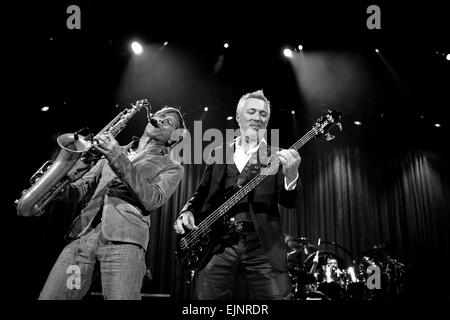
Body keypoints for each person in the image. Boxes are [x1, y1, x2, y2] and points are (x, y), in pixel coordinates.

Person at [38, 106, 186, 300]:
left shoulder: (172, 167)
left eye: (170, 121)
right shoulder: (113, 151)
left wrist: (117, 157)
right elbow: (81, 187)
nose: (162, 118)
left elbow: (153, 199)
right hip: (84, 237)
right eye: (161, 115)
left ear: (173, 139)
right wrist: (55, 185)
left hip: (124, 242)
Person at [174, 90, 301, 299]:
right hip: (218, 244)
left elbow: (289, 201)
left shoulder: (277, 157)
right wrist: (186, 212)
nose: (257, 118)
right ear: (239, 116)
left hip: (263, 246)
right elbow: (201, 194)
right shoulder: (219, 153)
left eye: (263, 114)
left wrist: (292, 175)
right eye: (251, 112)